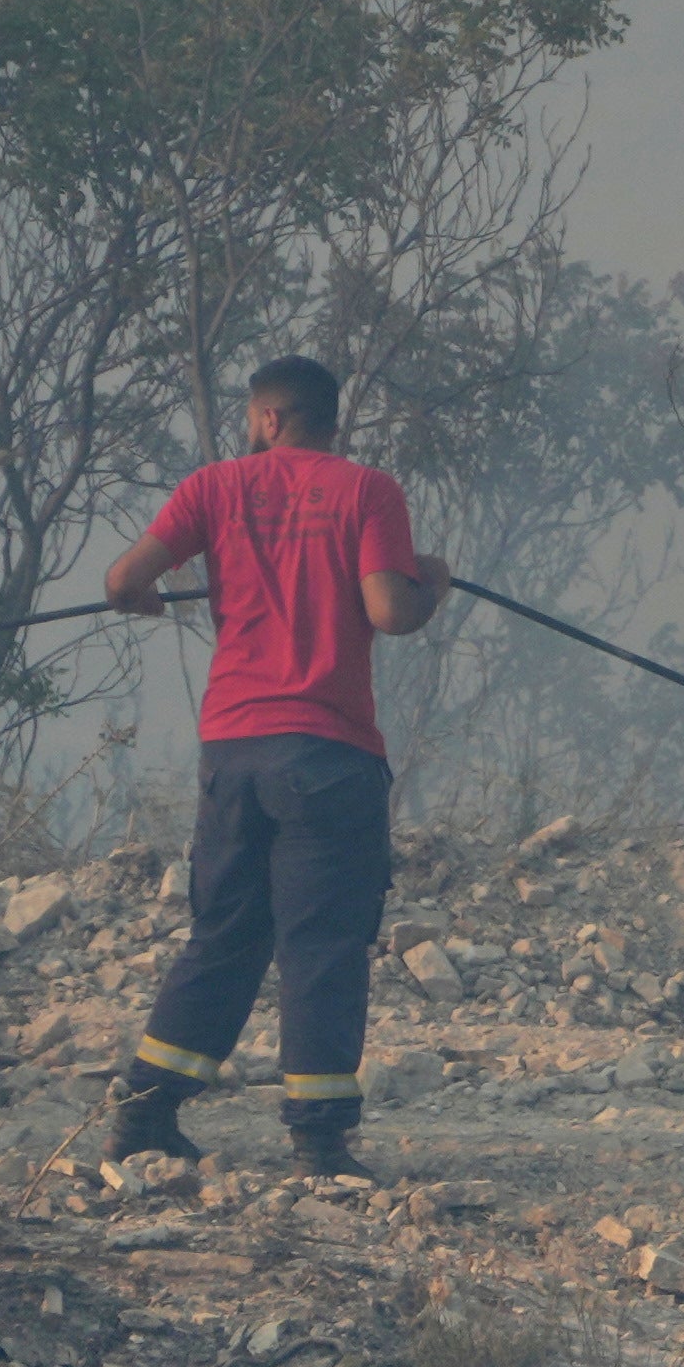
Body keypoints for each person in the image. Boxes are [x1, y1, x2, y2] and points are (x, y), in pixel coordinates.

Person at [99, 350, 450, 1180]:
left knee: (224, 932)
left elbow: (122, 580)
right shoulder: (367, 490)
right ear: (330, 421)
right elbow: (391, 612)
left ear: (266, 418)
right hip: (327, 753)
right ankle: (319, 1142)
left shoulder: (213, 489)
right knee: (321, 943)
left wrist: (144, 595)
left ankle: (145, 1113)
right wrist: (433, 581)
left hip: (231, 750)